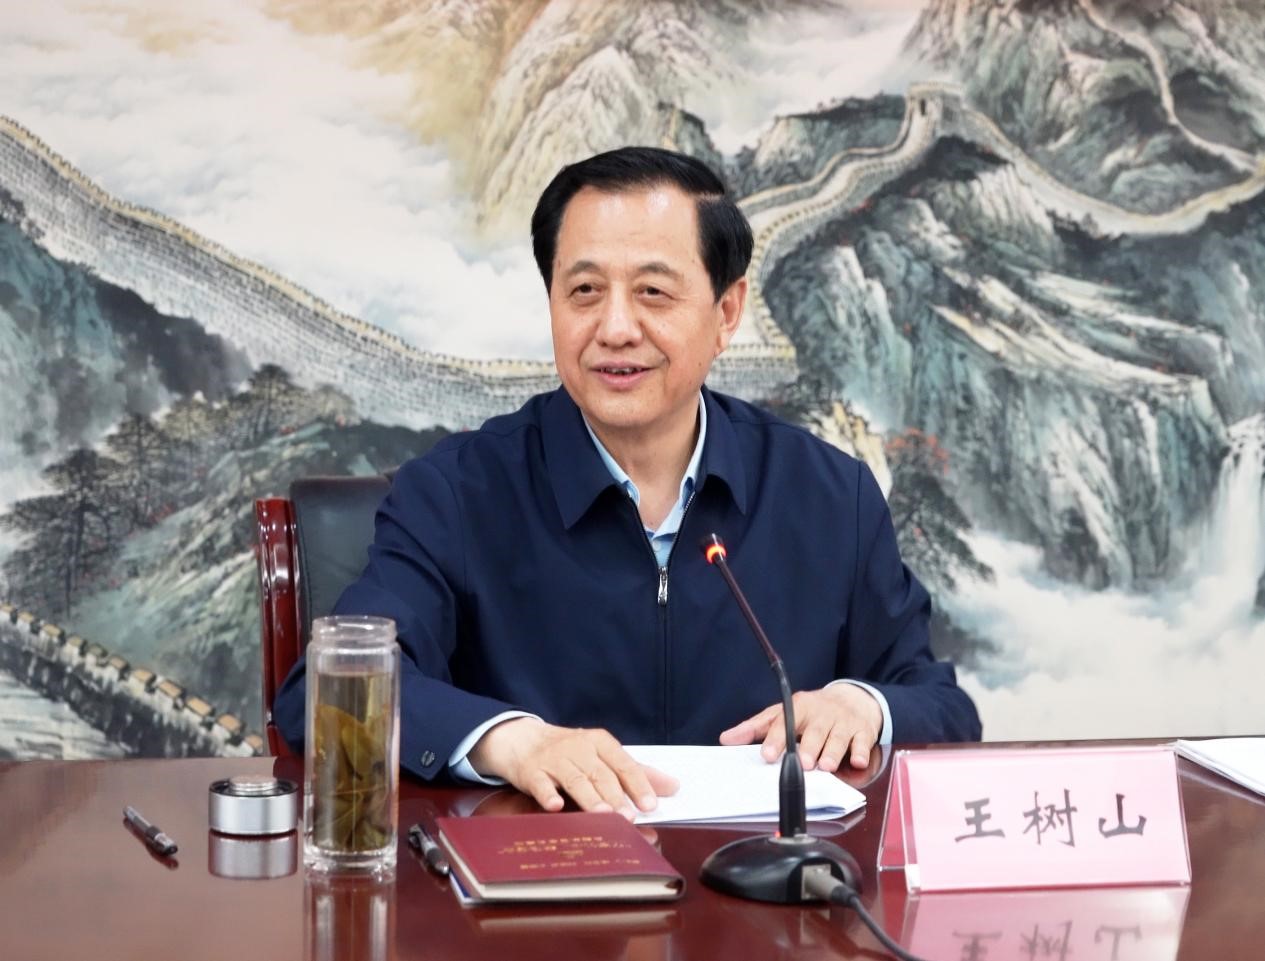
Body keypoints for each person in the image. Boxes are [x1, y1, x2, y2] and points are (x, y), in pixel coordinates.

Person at [273, 146, 980, 819]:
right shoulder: (456, 493)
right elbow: (327, 693)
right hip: (541, 882)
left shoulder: (828, 495)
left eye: (652, 292)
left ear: (726, 312)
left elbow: (940, 705)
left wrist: (865, 706)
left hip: (770, 885)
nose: (615, 328)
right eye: (584, 291)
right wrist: (506, 740)